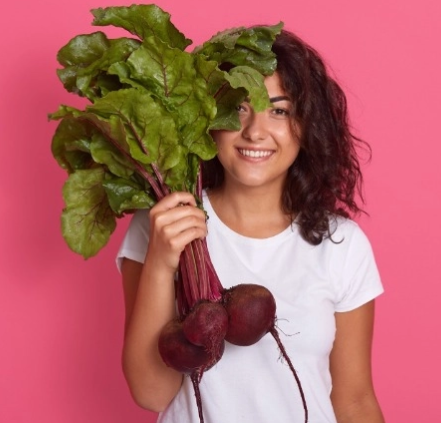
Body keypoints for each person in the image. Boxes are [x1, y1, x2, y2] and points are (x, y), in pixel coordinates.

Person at [117, 29, 385, 423]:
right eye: (240, 108)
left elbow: (355, 400)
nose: (255, 131)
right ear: (208, 119)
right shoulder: (163, 224)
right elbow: (151, 392)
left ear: (307, 125)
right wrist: (160, 262)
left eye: (279, 111)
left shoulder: (342, 244)